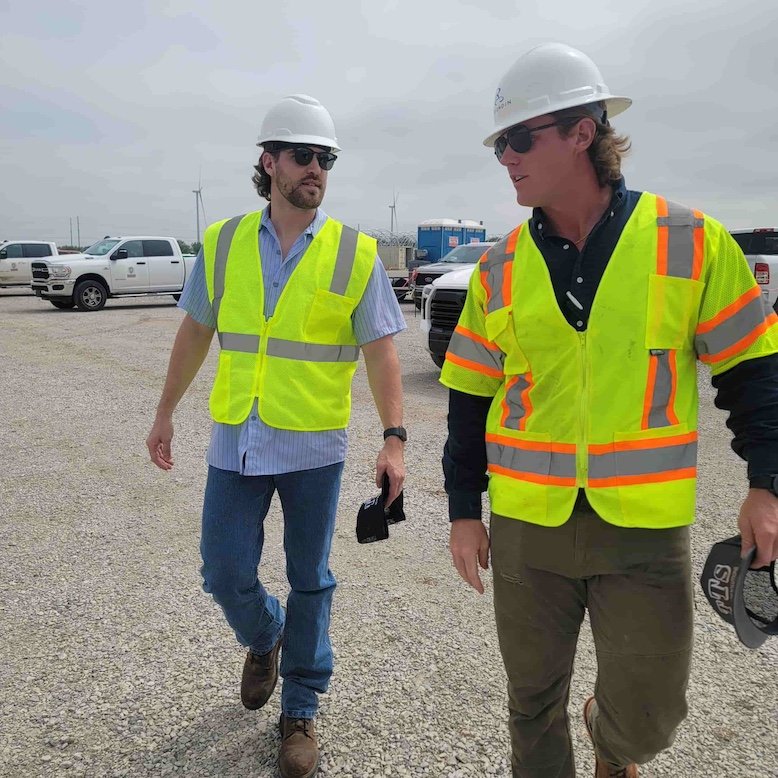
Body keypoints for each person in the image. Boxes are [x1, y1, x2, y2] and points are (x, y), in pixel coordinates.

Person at [441, 42, 778, 778]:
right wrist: (464, 507)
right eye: (501, 144)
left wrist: (768, 481)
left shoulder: (689, 243)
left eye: (520, 138)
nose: (507, 158)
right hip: (530, 526)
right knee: (531, 700)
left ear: (583, 132)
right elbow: (469, 396)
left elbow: (755, 371)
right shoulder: (498, 268)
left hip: (644, 529)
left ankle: (612, 739)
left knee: (652, 715)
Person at [146, 94, 407, 778]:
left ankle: (301, 708)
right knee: (223, 570)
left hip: (313, 447)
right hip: (237, 439)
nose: (316, 168)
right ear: (269, 162)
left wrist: (395, 437)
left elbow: (381, 350)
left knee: (310, 579)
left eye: (326, 158)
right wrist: (165, 410)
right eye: (303, 156)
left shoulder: (356, 253)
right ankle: (266, 637)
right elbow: (197, 329)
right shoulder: (225, 242)